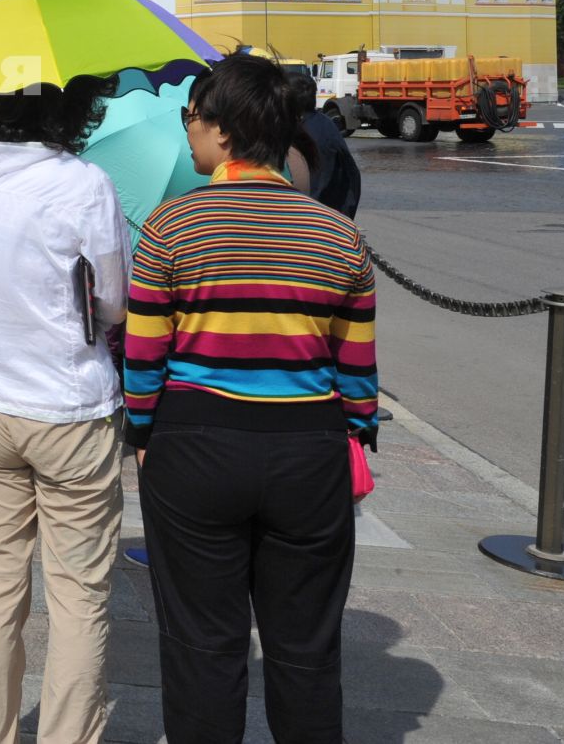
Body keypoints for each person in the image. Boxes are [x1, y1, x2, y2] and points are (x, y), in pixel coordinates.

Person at [126, 55, 378, 744]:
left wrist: (143, 438)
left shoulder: (171, 228)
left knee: (202, 645)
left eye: (193, 117)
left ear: (225, 130)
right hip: (310, 450)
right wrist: (352, 436)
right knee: (307, 651)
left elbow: (144, 359)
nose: (188, 132)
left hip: (194, 446)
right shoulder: (339, 235)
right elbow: (357, 375)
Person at [0, 78, 128, 743]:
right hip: (67, 406)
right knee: (77, 595)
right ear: (72, 106)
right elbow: (113, 303)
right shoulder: (82, 183)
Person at [292, 72, 361, 218]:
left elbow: (315, 186)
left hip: (315, 221)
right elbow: (353, 176)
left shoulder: (306, 135)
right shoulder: (324, 124)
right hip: (333, 217)